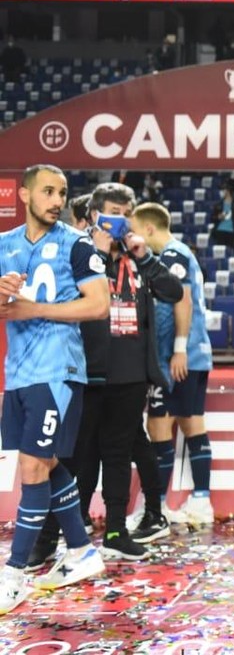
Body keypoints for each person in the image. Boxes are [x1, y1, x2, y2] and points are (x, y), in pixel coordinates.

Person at [0, 165, 109, 614]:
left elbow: (99, 304)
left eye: (62, 192)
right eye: (47, 190)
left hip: (58, 370)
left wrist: (33, 308)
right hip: (19, 375)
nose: (56, 199)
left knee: (32, 468)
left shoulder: (76, 243)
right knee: (46, 464)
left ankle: (13, 573)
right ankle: (81, 551)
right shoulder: (3, 246)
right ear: (24, 193)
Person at [66, 184, 183, 561]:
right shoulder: (79, 252)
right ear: (96, 215)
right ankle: (75, 532)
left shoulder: (136, 259)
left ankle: (116, 529)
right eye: (114, 211)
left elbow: (173, 291)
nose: (121, 218)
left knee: (118, 455)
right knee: (82, 455)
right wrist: (99, 248)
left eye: (126, 211)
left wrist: (145, 256)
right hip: (87, 370)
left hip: (131, 374)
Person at [128, 203, 216, 530]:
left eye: (135, 230)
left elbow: (183, 299)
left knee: (159, 428)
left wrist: (177, 349)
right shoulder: (179, 253)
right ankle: (201, 500)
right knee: (192, 424)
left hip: (180, 357)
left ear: (149, 229)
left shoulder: (173, 255)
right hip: (194, 356)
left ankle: (157, 507)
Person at [209, 178, 234, 249]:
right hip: (220, 233)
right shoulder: (218, 205)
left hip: (233, 234)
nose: (221, 192)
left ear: (228, 191)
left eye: (223, 190)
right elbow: (212, 218)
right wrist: (218, 217)